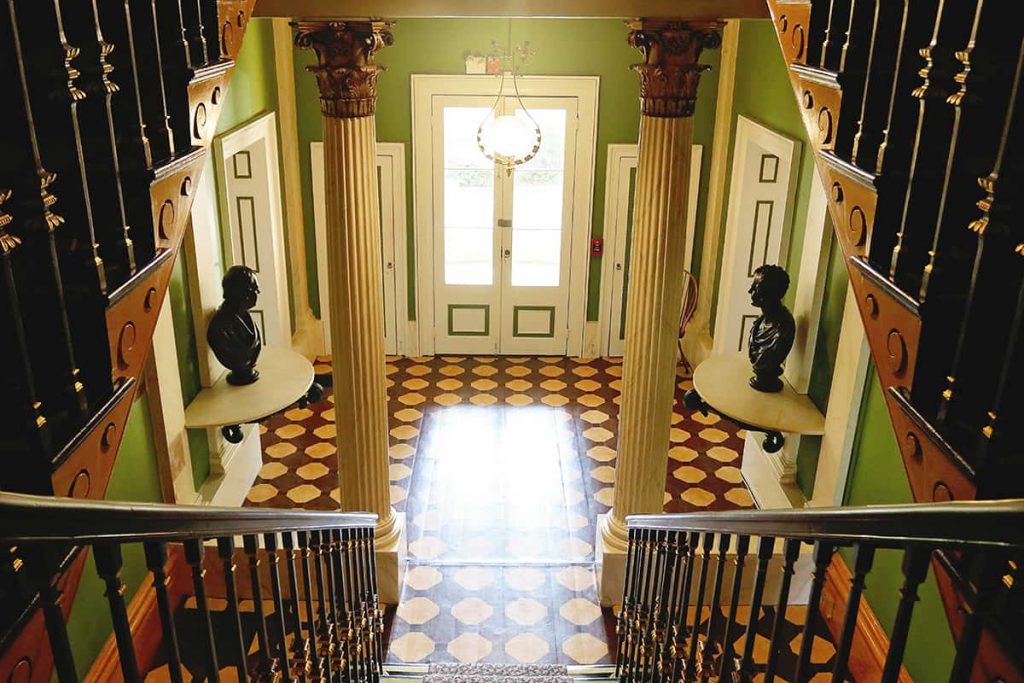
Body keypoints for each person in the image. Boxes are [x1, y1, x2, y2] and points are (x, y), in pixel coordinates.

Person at [207, 265, 262, 385]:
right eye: (255, 290)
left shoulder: (247, 318)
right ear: (245, 293)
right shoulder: (219, 328)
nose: (258, 293)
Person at [747, 264, 795, 392]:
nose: (749, 291)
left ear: (767, 293)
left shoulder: (783, 329)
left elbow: (768, 356)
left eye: (754, 287)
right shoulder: (760, 322)